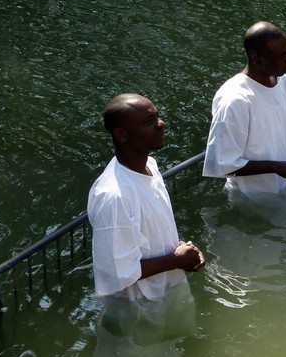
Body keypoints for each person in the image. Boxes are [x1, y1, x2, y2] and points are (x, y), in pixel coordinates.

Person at [88, 93, 205, 301]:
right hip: (137, 310)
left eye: (157, 116)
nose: (161, 124)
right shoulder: (114, 196)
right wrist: (176, 261)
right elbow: (117, 273)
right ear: (121, 135)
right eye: (149, 121)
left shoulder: (150, 166)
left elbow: (150, 231)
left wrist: (183, 249)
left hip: (168, 293)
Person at [202, 21, 286, 196]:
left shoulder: (283, 82)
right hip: (253, 201)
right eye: (282, 56)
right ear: (257, 60)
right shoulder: (235, 100)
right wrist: (276, 167)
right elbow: (224, 163)